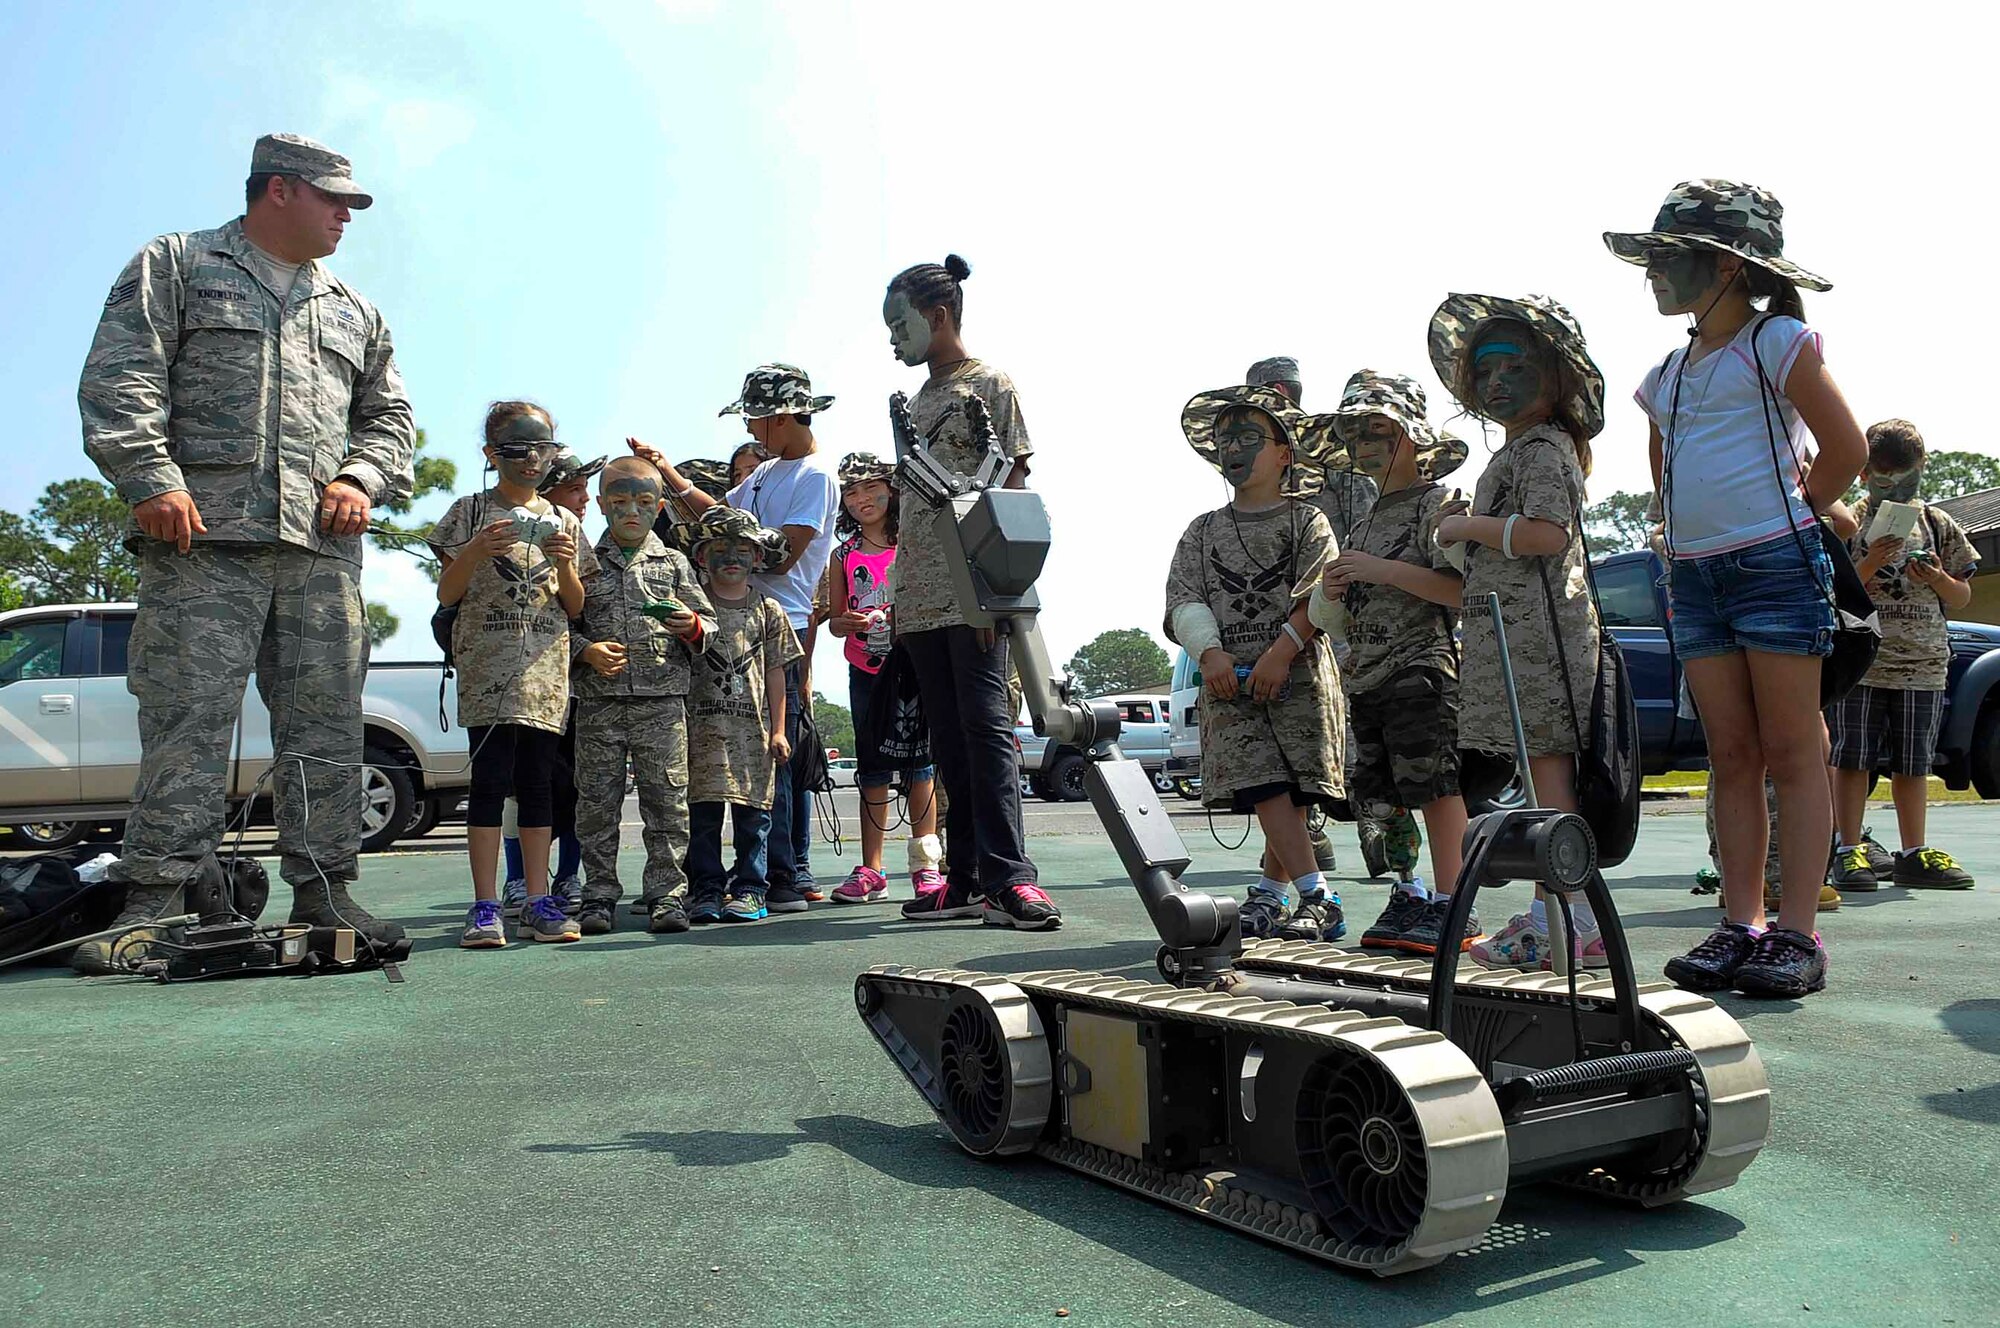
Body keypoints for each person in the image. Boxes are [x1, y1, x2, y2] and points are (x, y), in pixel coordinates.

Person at [74, 133, 416, 973]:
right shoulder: (180, 263)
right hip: (200, 544)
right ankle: (154, 899)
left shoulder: (354, 309)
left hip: (320, 554)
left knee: (327, 728)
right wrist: (150, 475)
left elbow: (391, 419)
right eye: (333, 197)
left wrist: (363, 477)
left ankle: (326, 892)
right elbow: (122, 375)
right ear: (277, 191)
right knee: (187, 719)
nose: (347, 214)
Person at [1605, 179, 1867, 998]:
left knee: (1793, 749)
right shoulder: (1667, 374)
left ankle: (1796, 933)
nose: (1653, 273)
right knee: (1730, 754)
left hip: (1776, 566)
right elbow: (1663, 465)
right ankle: (1739, 922)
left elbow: (1846, 447)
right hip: (1696, 575)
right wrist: (1673, 530)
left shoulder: (1778, 341)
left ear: (1724, 266)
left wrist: (1792, 515)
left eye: (1668, 258)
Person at [1428, 293, 1607, 971]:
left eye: (1513, 365)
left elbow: (1546, 534)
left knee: (1551, 779)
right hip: (1512, 641)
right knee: (1537, 779)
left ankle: (1568, 919)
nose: (1496, 381)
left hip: (1543, 646)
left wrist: (1466, 526)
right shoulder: (1514, 452)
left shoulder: (1542, 448)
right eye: (1484, 370)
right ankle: (1554, 912)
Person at [881, 254, 1058, 929]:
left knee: (988, 733)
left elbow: (1010, 485)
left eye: (898, 323)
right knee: (948, 740)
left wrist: (993, 589)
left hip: (974, 586)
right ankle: (963, 879)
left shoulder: (989, 384)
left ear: (937, 315)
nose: (892, 338)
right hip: (919, 593)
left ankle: (1010, 878)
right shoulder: (914, 400)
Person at [630, 364, 842, 912]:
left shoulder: (815, 476)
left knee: (776, 751)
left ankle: (781, 876)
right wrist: (669, 475)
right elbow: (724, 514)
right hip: (728, 612)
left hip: (781, 616)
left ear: (785, 415)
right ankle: (739, 878)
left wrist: (728, 536)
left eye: (757, 417)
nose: (751, 427)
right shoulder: (769, 470)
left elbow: (780, 552)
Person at [1165, 385, 1343, 940]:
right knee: (1264, 784)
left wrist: (1280, 652)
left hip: (1299, 675)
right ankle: (1317, 896)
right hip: (1227, 684)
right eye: (1224, 439)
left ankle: (1272, 894)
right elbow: (1183, 598)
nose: (1233, 448)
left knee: (1290, 790)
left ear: (1284, 452)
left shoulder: (1307, 521)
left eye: (1249, 437)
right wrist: (1210, 652)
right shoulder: (1202, 529)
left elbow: (1323, 592)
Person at [1314, 371, 1479, 955]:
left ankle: (1454, 901)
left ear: (1412, 434)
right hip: (1367, 671)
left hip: (1421, 665)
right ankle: (1410, 891)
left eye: (1379, 429)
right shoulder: (1362, 516)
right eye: (1355, 432)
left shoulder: (1437, 504)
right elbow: (1339, 607)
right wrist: (1332, 590)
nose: (1365, 445)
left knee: (1433, 784)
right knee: (1383, 794)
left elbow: (1463, 591)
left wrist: (1382, 571)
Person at [430, 402, 594, 946]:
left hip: (545, 675)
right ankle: (485, 904)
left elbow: (575, 606)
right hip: (488, 670)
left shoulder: (563, 519)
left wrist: (566, 563)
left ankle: (539, 898)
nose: (531, 460)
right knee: (490, 784)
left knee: (539, 786)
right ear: (491, 454)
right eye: (518, 449)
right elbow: (446, 593)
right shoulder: (469, 512)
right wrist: (476, 551)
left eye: (543, 449)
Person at [1828, 418, 1979, 891]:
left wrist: (1935, 577)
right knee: (1852, 759)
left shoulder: (1936, 523)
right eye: (1882, 476)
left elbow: (1961, 596)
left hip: (1924, 663)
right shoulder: (1849, 520)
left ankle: (1914, 850)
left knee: (1913, 764)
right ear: (1864, 474)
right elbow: (1838, 588)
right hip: (1863, 664)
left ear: (1921, 468)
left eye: (1904, 475)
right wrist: (1872, 558)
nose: (1893, 485)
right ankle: (1848, 849)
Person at [569, 457, 715, 935]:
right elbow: (559, 628)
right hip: (600, 703)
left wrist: (692, 626)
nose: (632, 511)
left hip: (662, 702)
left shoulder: (673, 562)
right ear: (602, 506)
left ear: (658, 508)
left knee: (666, 803)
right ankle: (598, 894)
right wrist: (586, 651)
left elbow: (709, 625)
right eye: (620, 502)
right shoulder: (584, 563)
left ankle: (666, 896)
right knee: (596, 804)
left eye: (644, 502)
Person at [1245, 356, 1372, 885]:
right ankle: (1307, 836)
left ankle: (1370, 823)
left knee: (1349, 731)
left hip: (1331, 615)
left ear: (1276, 391)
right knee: (1289, 740)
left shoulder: (1332, 460)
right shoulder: (1258, 457)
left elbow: (1361, 533)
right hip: (1278, 621)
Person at [818, 452, 943, 903]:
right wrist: (847, 622)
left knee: (920, 763)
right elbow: (833, 620)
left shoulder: (915, 540)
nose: (861, 499)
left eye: (870, 487)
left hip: (913, 668)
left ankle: (926, 864)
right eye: (850, 492)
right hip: (865, 670)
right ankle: (871, 869)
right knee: (871, 768)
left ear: (891, 489)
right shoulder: (843, 554)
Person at [496, 446, 605, 916]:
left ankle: (568, 876)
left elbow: (587, 617)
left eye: (585, 488)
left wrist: (586, 652)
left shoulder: (580, 545)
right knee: (519, 788)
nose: (584, 498)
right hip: (525, 687)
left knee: (579, 786)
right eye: (574, 488)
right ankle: (518, 880)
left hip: (580, 693)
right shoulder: (504, 542)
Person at [682, 506, 802, 923]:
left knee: (755, 820)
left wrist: (779, 729)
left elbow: (776, 674)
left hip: (752, 735)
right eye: (719, 548)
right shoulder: (690, 609)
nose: (731, 557)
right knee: (702, 819)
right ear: (701, 557)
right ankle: (706, 889)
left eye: (741, 549)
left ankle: (751, 888)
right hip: (701, 735)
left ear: (756, 557)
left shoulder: (769, 611)